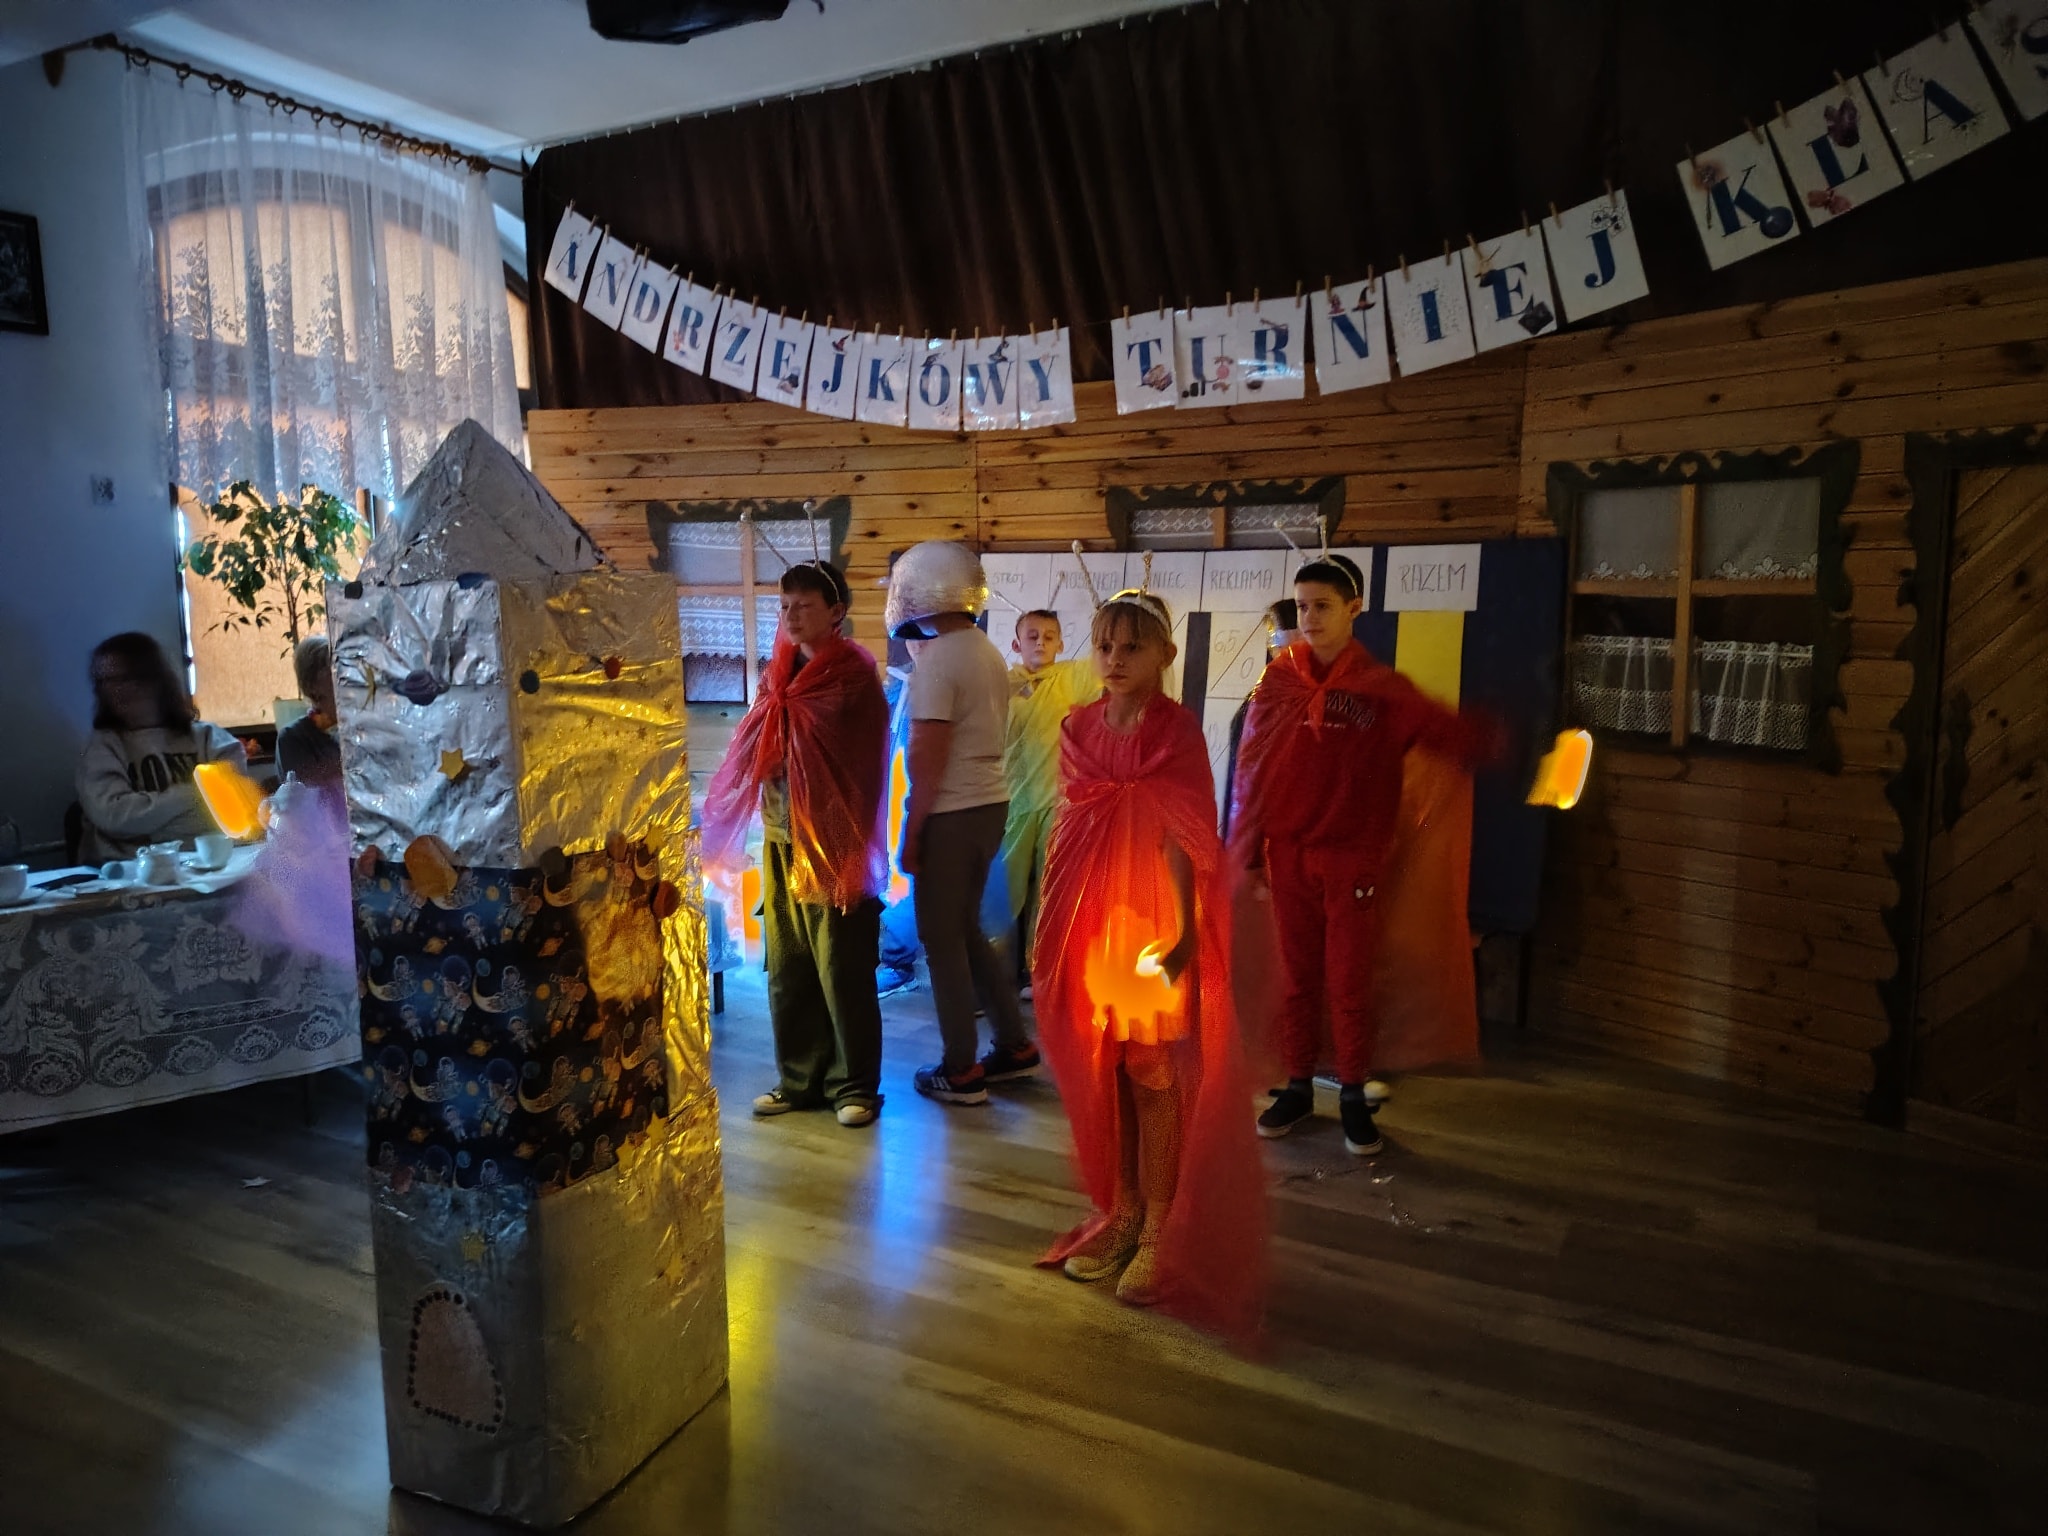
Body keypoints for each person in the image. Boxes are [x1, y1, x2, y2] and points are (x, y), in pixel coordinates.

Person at [1033, 590, 1266, 1337]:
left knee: (1153, 1072)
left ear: (1165, 654)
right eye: (1104, 645)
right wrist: (1054, 928)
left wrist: (1186, 935)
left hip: (1152, 926)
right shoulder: (1078, 728)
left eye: (1132, 646)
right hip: (1093, 922)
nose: (1114, 659)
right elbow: (1072, 831)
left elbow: (1183, 836)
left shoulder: (1176, 732)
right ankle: (1123, 1210)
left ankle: (1162, 1223)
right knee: (1107, 1068)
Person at [1228, 555, 1500, 1156]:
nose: (1310, 618)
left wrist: (1502, 739)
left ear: (1354, 609)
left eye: (1323, 606)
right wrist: (1248, 853)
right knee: (1298, 979)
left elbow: (1446, 733)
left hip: (1351, 860)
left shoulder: (1381, 690)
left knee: (1349, 981)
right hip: (1289, 857)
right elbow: (1253, 770)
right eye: (1303, 606)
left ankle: (1352, 1092)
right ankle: (1298, 1086)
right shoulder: (1279, 683)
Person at [701, 562, 891, 1127]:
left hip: (834, 841)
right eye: (784, 607)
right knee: (787, 965)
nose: (790, 616)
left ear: (836, 612)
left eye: (804, 606)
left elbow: (863, 759)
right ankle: (799, 1080)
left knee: (841, 966)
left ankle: (854, 1086)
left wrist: (797, 756)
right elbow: (760, 737)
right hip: (782, 834)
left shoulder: (852, 676)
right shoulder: (778, 673)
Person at [885, 541, 1035, 1106]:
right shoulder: (984, 650)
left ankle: (960, 1068)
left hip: (951, 812)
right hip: (989, 805)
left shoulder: (940, 659)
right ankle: (1014, 1045)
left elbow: (927, 756)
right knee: (966, 930)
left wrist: (911, 830)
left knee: (940, 940)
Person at [77, 631, 248, 861]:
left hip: (211, 866)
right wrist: (200, 791)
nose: (112, 690)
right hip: (132, 873)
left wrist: (147, 830)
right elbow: (114, 818)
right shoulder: (102, 747)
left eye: (123, 679)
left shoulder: (209, 738)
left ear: (153, 680)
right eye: (103, 681)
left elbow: (233, 810)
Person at [996, 609, 1100, 984]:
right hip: (1012, 801)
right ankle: (993, 973)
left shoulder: (1072, 677)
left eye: (1049, 636)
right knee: (1003, 890)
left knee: (1049, 887)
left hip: (1057, 803)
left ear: (1060, 644)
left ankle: (1039, 973)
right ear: (1016, 644)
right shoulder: (1001, 684)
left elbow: (1107, 663)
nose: (1041, 642)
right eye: (1032, 636)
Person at [1219, 599, 1299, 841]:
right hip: (1262, 844)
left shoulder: (1336, 705)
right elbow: (1238, 792)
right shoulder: (1256, 704)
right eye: (1274, 645)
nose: (1276, 654)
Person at [276, 635, 343, 792]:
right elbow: (311, 798)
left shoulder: (361, 728)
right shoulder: (293, 738)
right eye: (333, 671)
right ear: (313, 687)